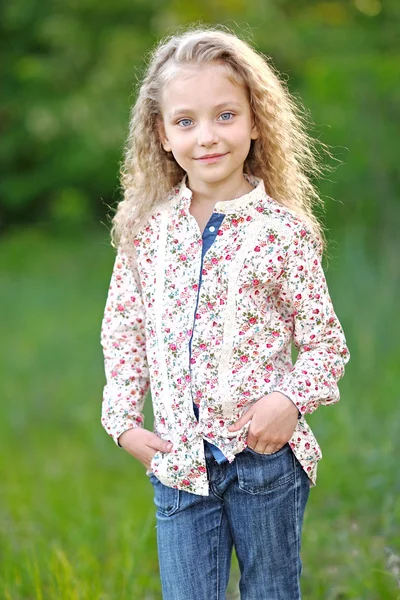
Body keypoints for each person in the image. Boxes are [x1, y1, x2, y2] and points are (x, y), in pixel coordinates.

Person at [100, 25, 350, 600]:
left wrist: (288, 401)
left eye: (226, 116)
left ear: (256, 121)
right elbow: (124, 333)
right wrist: (122, 424)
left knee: (270, 591)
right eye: (185, 121)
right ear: (161, 135)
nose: (207, 137)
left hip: (264, 459)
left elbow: (324, 345)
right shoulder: (144, 234)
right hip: (179, 462)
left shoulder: (283, 233)